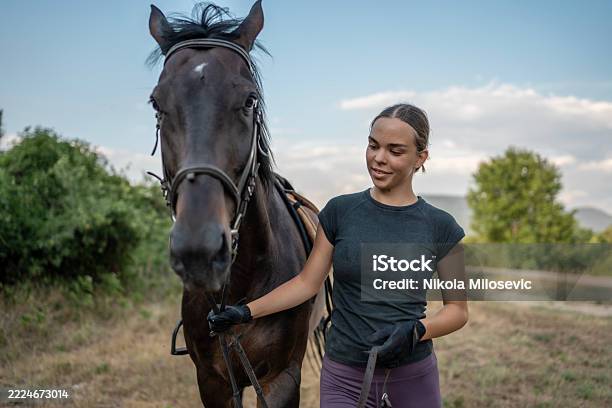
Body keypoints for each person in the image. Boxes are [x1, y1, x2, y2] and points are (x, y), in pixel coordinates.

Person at [208, 103, 469, 408]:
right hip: (344, 376)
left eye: (395, 151)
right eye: (373, 146)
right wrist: (245, 312)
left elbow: (458, 311)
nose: (379, 158)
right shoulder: (340, 212)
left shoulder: (441, 227)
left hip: (412, 378)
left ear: (420, 157)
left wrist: (416, 331)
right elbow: (307, 283)